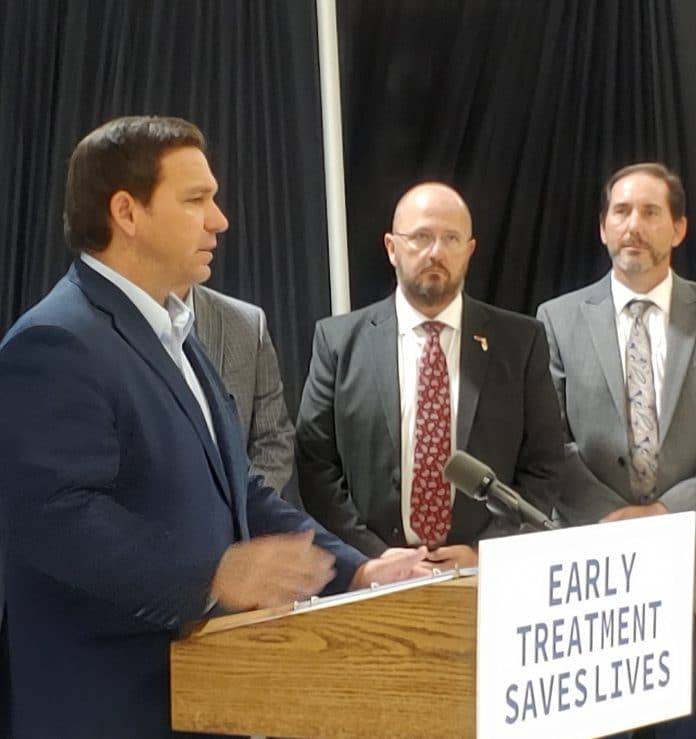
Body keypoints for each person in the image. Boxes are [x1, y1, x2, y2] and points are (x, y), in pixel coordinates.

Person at [0, 115, 425, 739]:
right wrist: (212, 574)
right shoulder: (54, 340)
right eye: (196, 199)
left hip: (198, 696)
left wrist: (357, 571)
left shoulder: (177, 334)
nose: (219, 219)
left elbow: (243, 491)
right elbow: (55, 516)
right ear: (126, 211)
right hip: (103, 707)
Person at [295, 182, 564, 570]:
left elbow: (544, 464)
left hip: (482, 576)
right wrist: (373, 555)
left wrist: (486, 552)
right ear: (391, 247)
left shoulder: (520, 342)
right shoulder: (337, 342)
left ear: (469, 250)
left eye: (451, 238)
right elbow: (315, 461)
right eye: (421, 237)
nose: (436, 252)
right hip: (374, 576)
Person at [536, 162, 696, 739]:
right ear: (603, 227)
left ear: (679, 228)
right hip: (594, 563)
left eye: (651, 212)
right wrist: (611, 518)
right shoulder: (553, 320)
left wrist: (665, 515)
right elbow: (546, 442)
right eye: (621, 212)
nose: (634, 225)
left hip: (691, 555)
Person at [190, 284, 300, 506]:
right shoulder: (109, 328)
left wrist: (242, 511)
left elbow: (273, 438)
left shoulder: (247, 323)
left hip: (243, 527)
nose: (215, 246)